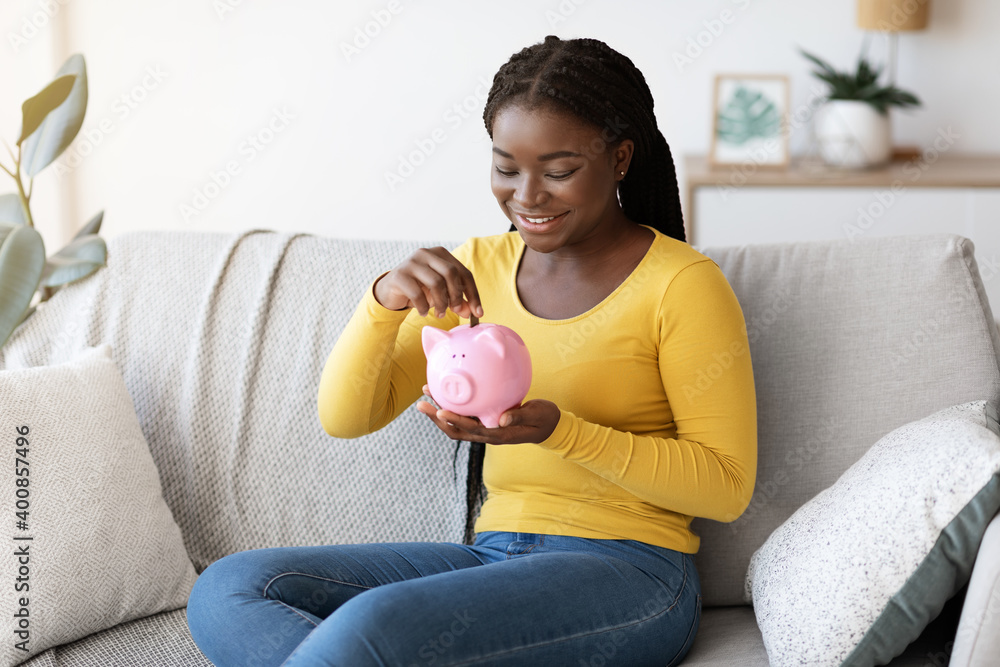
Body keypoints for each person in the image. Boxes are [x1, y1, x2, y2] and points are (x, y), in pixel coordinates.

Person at [186, 35, 757, 667]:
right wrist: (383, 303)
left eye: (559, 171)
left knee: (376, 626)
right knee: (230, 589)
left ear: (620, 158)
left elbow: (726, 487)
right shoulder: (475, 269)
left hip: (633, 572)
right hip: (491, 555)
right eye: (507, 168)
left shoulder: (682, 284)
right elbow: (346, 418)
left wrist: (561, 433)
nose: (528, 197)